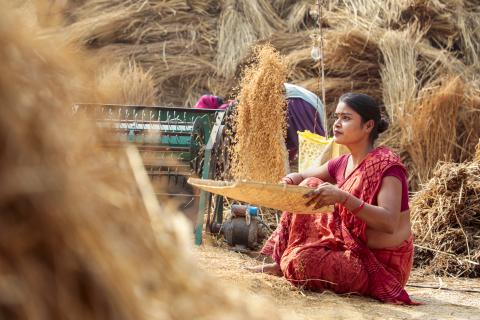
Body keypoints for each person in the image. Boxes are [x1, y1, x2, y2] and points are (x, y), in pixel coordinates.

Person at [249, 93, 416, 304]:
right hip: (347, 248)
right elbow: (304, 177)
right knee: (308, 186)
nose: (336, 124)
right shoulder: (342, 162)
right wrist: (290, 179)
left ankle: (285, 263)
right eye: (336, 117)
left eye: (346, 118)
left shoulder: (387, 167)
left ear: (368, 126)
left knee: (302, 263)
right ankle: (278, 262)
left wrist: (343, 198)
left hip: (378, 264)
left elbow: (389, 222)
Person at [193, 83, 325, 163]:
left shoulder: (226, 112)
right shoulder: (239, 104)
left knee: (315, 155)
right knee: (316, 153)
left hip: (296, 103)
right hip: (309, 101)